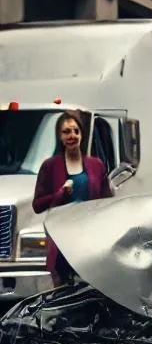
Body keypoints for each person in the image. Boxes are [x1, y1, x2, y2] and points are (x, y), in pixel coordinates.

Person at [32, 111, 113, 286]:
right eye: (66, 132)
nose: (72, 136)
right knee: (63, 285)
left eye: (76, 131)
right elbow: (37, 205)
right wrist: (60, 194)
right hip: (62, 238)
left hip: (89, 236)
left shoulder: (96, 165)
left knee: (90, 284)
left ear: (82, 135)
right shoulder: (50, 166)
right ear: (59, 136)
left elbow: (107, 201)